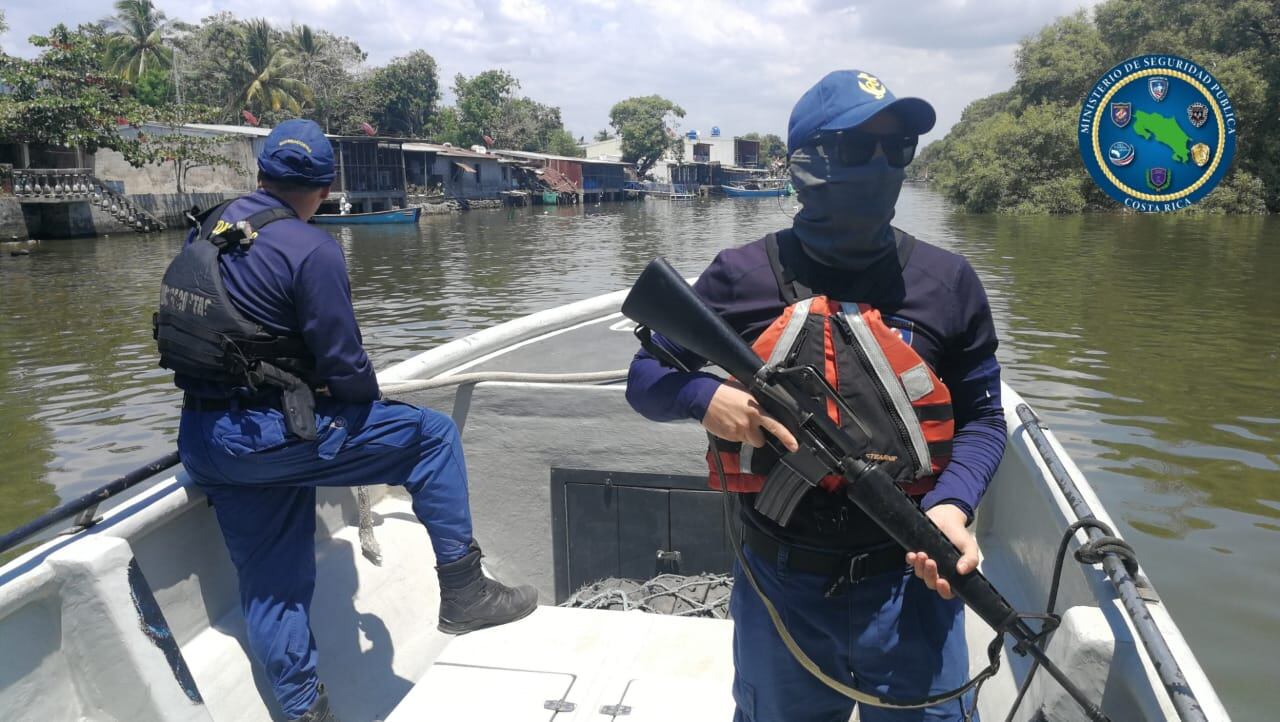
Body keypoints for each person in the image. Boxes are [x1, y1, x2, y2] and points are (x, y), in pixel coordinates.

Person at [626, 70, 1007, 722]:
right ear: (805, 163)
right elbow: (646, 380)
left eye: (899, 148)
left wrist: (952, 505)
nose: (882, 165)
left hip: (912, 581)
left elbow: (984, 420)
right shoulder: (739, 276)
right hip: (781, 590)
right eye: (859, 149)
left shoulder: (948, 281)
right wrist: (704, 399)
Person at [155, 119, 537, 722]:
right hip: (270, 436)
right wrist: (354, 398)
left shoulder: (211, 229)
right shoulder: (312, 249)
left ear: (260, 174)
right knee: (431, 438)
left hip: (205, 441)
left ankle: (304, 710)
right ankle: (466, 593)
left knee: (273, 585)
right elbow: (347, 367)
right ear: (328, 187)